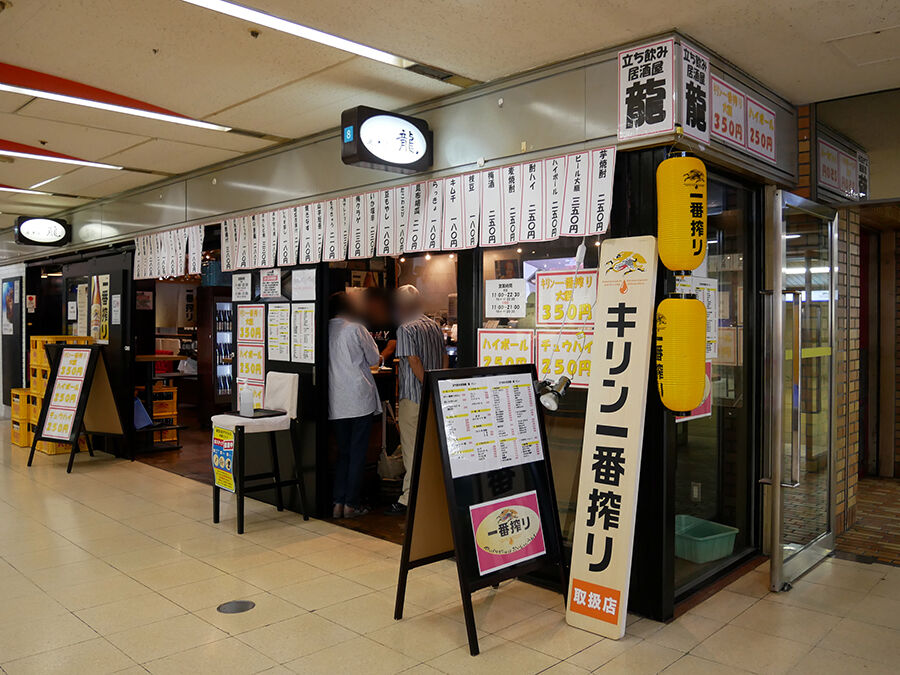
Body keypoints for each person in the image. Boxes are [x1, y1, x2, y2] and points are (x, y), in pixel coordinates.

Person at [385, 285, 448, 515]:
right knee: (429, 445)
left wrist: (426, 386)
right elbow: (444, 356)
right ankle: (430, 492)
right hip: (432, 395)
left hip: (413, 396)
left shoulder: (405, 328)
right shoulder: (434, 326)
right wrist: (437, 385)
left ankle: (408, 499)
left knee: (412, 448)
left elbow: (413, 361)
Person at [328, 291, 380, 518]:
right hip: (358, 399)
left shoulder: (324, 328)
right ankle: (351, 504)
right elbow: (374, 358)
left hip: (336, 400)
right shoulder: (356, 328)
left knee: (344, 452)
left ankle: (338, 502)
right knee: (358, 453)